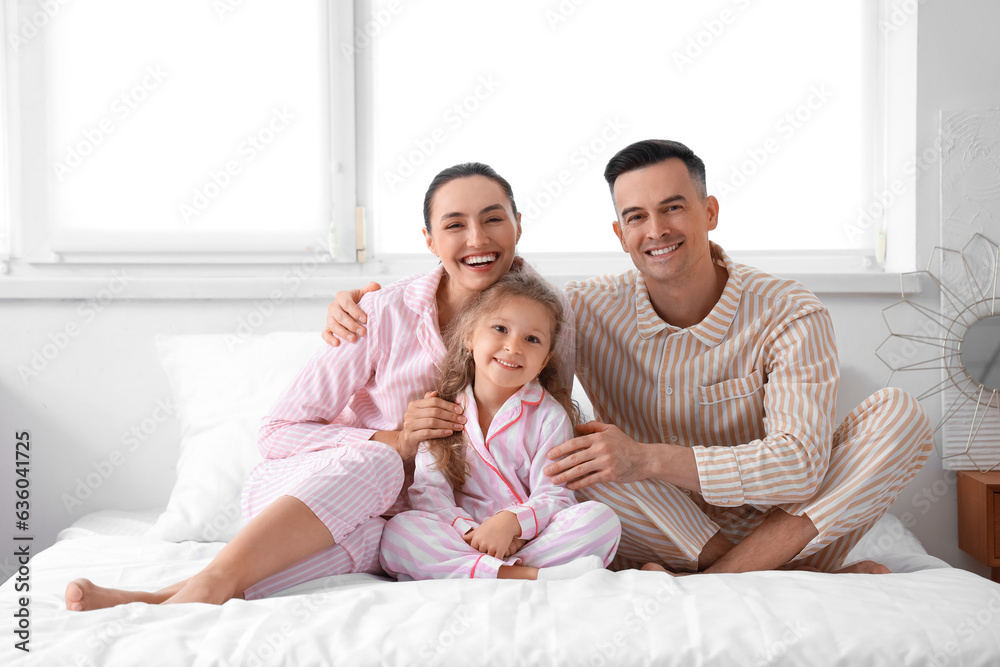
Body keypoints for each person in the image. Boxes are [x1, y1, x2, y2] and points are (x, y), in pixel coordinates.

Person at [323, 140, 934, 576]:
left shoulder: (788, 312)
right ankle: (797, 571)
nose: (656, 229)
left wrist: (647, 455)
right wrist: (371, 305)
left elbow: (800, 467)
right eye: (635, 216)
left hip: (790, 511)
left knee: (901, 416)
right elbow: (500, 316)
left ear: (709, 211)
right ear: (619, 233)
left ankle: (732, 576)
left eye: (673, 207)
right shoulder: (586, 309)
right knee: (579, 461)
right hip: (660, 520)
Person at [65, 162, 576, 611]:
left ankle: (161, 597)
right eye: (454, 225)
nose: (477, 239)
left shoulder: (546, 321)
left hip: (406, 515)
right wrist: (393, 441)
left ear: (518, 225)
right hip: (310, 489)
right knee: (379, 464)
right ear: (429, 240)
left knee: (387, 537)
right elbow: (277, 432)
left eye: (493, 218)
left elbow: (538, 431)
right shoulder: (376, 313)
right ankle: (214, 579)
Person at [380, 272, 621, 580]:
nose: (513, 347)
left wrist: (511, 524)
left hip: (527, 539)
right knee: (399, 533)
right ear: (470, 336)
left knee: (600, 520)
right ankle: (524, 576)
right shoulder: (442, 409)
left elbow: (554, 497)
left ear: (545, 360)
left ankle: (483, 572)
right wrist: (471, 532)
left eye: (531, 339)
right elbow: (430, 493)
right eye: (500, 329)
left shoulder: (549, 416)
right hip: (463, 538)